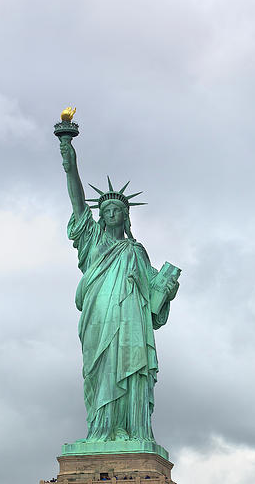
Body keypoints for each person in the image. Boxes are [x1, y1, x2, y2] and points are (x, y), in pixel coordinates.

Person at [58, 131, 180, 445]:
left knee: (130, 369)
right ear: (100, 216)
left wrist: (167, 287)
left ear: (125, 217)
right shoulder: (91, 240)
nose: (112, 213)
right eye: (106, 210)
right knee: (100, 371)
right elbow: (75, 194)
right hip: (99, 315)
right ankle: (101, 429)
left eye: (118, 211)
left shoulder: (136, 252)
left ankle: (129, 428)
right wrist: (68, 153)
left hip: (131, 322)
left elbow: (154, 297)